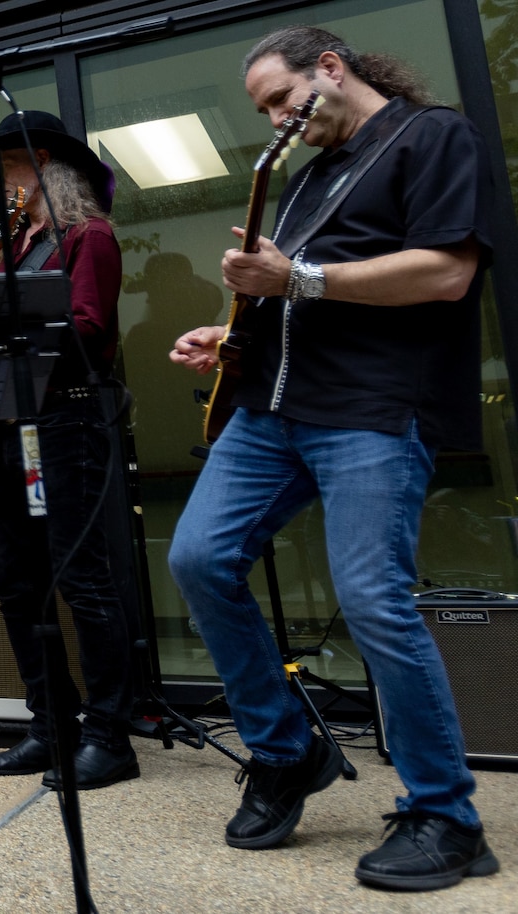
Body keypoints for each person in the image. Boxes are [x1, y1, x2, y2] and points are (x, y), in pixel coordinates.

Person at [168, 26, 499, 891]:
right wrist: (229, 330)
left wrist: (299, 282)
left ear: (331, 67)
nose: (278, 118)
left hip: (373, 411)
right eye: (265, 110)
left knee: (372, 599)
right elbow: (289, 280)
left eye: (283, 98)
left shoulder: (432, 136)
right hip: (270, 408)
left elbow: (445, 274)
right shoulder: (309, 176)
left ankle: (446, 816)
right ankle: (288, 752)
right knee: (198, 558)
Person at [0, 110, 136, 790]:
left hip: (65, 425)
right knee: (14, 579)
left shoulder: (87, 237)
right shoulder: (8, 249)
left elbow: (89, 332)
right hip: (10, 430)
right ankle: (50, 724)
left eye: (9, 169)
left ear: (47, 172)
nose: (3, 185)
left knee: (82, 579)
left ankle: (109, 735)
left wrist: (7, 323)